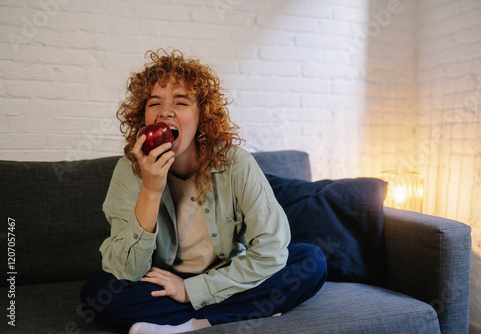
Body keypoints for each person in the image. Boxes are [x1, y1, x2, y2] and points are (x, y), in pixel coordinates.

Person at [80, 49, 327, 334]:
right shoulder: (129, 170)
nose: (165, 111)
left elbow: (270, 252)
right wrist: (150, 189)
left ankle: (193, 324)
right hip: (164, 282)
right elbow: (127, 270)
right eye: (154, 102)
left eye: (181, 102)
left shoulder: (237, 164)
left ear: (202, 116)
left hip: (226, 276)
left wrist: (191, 290)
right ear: (144, 115)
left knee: (311, 261)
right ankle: (245, 309)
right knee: (95, 295)